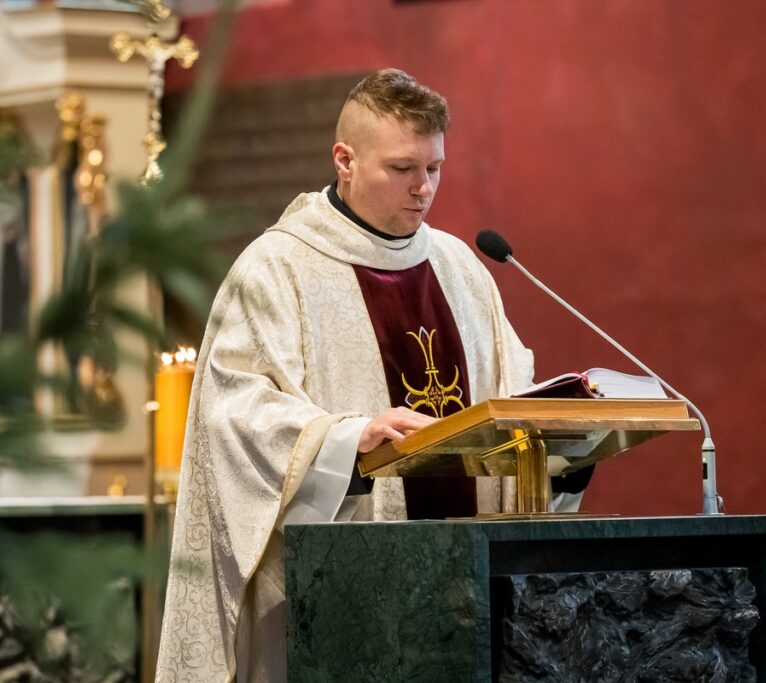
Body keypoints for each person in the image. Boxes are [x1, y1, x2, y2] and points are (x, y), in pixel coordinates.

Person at [155, 68, 582, 683]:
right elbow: (234, 414)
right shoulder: (276, 270)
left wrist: (569, 450)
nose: (423, 190)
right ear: (344, 160)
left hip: (469, 592)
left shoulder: (462, 269)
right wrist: (346, 441)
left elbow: (513, 409)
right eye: (402, 169)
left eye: (434, 169)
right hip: (338, 589)